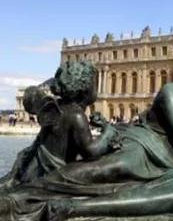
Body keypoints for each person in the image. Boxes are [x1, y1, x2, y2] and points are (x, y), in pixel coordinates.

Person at [34, 44, 173, 221]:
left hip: (167, 163)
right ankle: (38, 188)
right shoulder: (171, 91)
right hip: (142, 144)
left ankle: (74, 208)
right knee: (108, 170)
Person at [0, 62, 119, 190]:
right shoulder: (76, 115)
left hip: (34, 171)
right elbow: (90, 152)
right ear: (84, 89)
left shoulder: (58, 107)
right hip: (49, 176)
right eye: (94, 83)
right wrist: (108, 132)